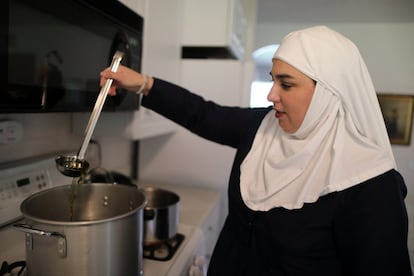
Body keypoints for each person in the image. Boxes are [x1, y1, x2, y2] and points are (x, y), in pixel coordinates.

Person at [100, 25, 412, 275]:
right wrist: (141, 83)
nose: (271, 95)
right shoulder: (263, 128)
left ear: (328, 93)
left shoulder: (371, 185)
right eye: (272, 81)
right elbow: (203, 114)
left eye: (286, 85)